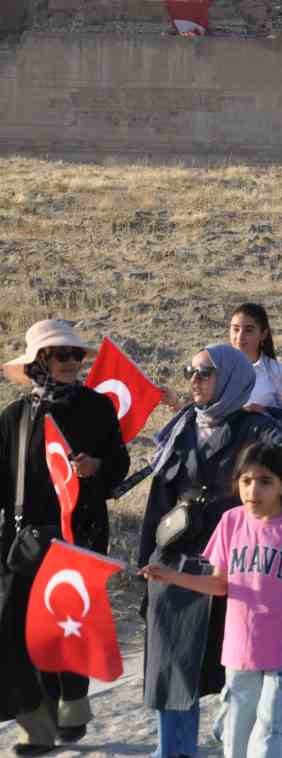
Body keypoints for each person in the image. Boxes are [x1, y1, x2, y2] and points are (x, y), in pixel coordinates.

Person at [138, 343, 282, 758]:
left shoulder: (255, 427)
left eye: (205, 372)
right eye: (190, 371)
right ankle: (174, 751)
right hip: (177, 557)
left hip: (236, 566)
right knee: (171, 663)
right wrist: (146, 561)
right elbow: (159, 496)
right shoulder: (181, 426)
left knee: (236, 666)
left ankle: (234, 731)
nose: (194, 380)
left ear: (230, 377)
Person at [139, 443, 282, 756]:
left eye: (265, 481)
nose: (253, 490)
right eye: (246, 481)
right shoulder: (231, 522)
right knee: (235, 746)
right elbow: (219, 584)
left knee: (268, 744)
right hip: (240, 653)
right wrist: (171, 576)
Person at [0, 321, 131, 755]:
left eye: (78, 355)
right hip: (24, 542)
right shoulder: (15, 417)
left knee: (68, 629)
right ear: (40, 362)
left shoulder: (96, 408)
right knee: (19, 634)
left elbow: (119, 463)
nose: (74, 363)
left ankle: (72, 706)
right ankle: (36, 727)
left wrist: (96, 468)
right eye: (63, 355)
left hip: (81, 535)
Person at [229, 303, 282, 414]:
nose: (240, 337)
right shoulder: (218, 368)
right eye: (236, 329)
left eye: (249, 330)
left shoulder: (278, 372)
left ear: (263, 334)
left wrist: (264, 411)